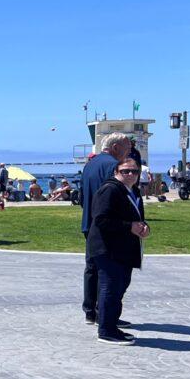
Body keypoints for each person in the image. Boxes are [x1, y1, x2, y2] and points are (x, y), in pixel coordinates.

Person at [88, 156, 148, 345]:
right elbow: (101, 220)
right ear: (116, 172)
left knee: (120, 287)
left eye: (134, 171)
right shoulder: (110, 190)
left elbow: (137, 217)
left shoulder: (133, 191)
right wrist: (129, 227)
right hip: (107, 248)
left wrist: (143, 227)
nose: (130, 174)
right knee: (110, 288)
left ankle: (111, 324)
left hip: (125, 249)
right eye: (125, 171)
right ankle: (106, 330)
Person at [80, 133, 132, 326]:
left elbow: (83, 196)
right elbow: (116, 197)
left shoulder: (89, 164)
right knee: (109, 271)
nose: (129, 153)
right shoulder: (112, 166)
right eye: (127, 149)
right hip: (106, 226)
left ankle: (90, 311)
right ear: (116, 147)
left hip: (89, 222)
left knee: (92, 267)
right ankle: (105, 314)